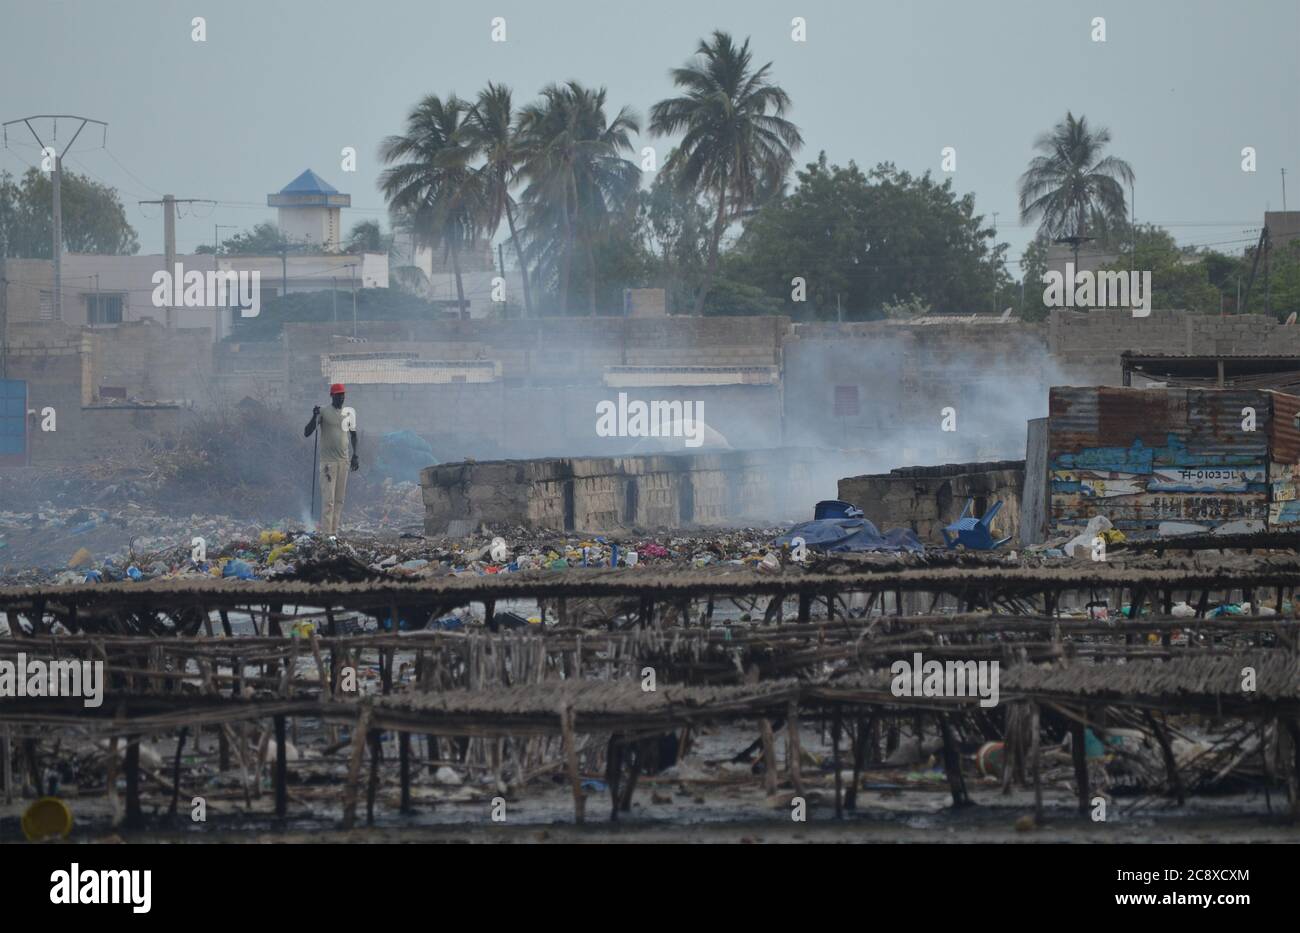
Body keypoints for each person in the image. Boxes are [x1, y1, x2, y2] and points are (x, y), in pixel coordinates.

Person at [305, 383, 358, 535]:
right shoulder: (323, 411)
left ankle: (333, 535)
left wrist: (356, 455)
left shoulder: (349, 413)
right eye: (338, 395)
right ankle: (326, 535)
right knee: (329, 501)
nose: (341, 397)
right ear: (332, 396)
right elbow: (307, 432)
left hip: (344, 462)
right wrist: (314, 416)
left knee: (339, 501)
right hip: (328, 464)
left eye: (343, 394)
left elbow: (354, 435)